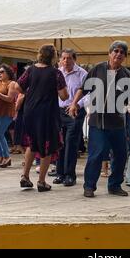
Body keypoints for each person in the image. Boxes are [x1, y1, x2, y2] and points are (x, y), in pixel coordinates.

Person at [69, 41, 130, 198]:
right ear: (109, 53)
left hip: (117, 123)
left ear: (125, 57)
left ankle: (114, 185)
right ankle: (89, 186)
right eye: (116, 51)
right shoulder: (98, 69)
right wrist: (73, 104)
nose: (118, 54)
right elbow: (83, 89)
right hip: (98, 122)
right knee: (96, 154)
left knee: (121, 155)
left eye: (122, 52)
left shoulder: (126, 75)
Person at [16, 45, 69, 192]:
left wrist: (32, 90)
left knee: (32, 143)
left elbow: (18, 87)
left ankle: (25, 176)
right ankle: (41, 181)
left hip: (30, 110)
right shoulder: (56, 73)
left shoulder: (30, 70)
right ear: (54, 57)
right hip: (47, 112)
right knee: (47, 144)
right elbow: (64, 96)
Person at [53, 49, 87, 187]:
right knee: (60, 143)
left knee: (71, 142)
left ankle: (69, 175)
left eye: (69, 58)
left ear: (74, 59)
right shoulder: (57, 73)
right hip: (59, 111)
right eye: (64, 58)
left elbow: (88, 94)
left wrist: (76, 105)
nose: (66, 61)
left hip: (75, 111)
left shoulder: (82, 74)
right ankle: (60, 173)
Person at [0, 64, 17, 168]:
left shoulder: (12, 83)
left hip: (7, 112)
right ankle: (1, 157)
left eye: (2, 72)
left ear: (8, 73)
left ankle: (7, 157)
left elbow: (10, 99)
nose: (0, 74)